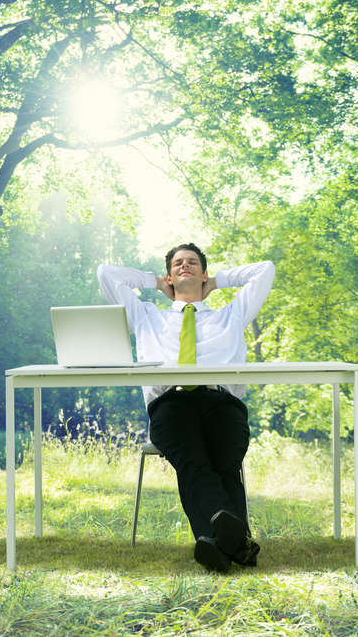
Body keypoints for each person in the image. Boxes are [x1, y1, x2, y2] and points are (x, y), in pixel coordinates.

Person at [97, 244, 275, 572]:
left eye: (193, 263)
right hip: (171, 405)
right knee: (193, 460)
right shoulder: (148, 317)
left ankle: (216, 544)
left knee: (224, 458)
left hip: (222, 403)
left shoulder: (231, 315)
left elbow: (265, 270)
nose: (185, 266)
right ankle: (240, 544)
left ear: (204, 273)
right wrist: (154, 282)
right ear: (169, 275)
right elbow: (106, 275)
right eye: (177, 263)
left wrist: (218, 281)